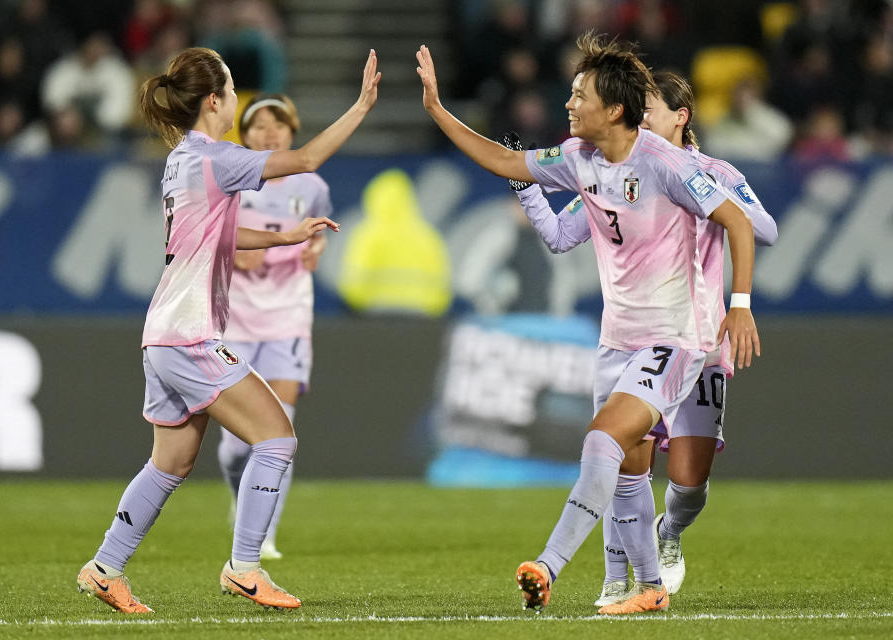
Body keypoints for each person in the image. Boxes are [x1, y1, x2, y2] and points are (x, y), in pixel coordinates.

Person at [416, 32, 760, 615]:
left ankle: (547, 566)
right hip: (615, 341)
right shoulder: (578, 161)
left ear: (615, 109)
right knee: (627, 472)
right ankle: (649, 588)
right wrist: (437, 109)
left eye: (581, 95)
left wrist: (741, 304)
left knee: (601, 438)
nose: (569, 104)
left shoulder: (668, 165)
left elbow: (741, 224)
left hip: (672, 339)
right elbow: (504, 160)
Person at [76, 46, 379, 614]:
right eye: (234, 89)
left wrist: (282, 238)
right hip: (191, 334)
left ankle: (104, 568)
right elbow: (307, 157)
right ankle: (245, 568)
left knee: (170, 463)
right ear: (214, 101)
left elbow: (219, 235)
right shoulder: (219, 157)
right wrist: (361, 105)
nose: (239, 99)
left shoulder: (180, 160)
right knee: (277, 437)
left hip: (162, 333)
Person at [502, 70, 778, 606]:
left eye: (650, 109)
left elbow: (762, 228)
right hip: (642, 337)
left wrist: (710, 192)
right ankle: (617, 582)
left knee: (689, 478)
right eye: (638, 108)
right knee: (626, 453)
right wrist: (527, 185)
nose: (640, 116)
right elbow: (561, 236)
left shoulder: (709, 171)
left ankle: (668, 533)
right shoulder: (614, 172)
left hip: (700, 339)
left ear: (681, 117)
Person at [216, 93, 332, 560]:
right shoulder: (229, 181)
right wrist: (237, 256)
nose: (270, 133)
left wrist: (316, 251)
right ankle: (239, 498)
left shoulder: (312, 185)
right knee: (233, 449)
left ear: (292, 130)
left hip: (287, 319)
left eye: (278, 124)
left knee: (280, 431)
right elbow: (203, 238)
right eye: (260, 125)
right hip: (235, 322)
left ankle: (263, 535)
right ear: (243, 134)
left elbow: (319, 235)